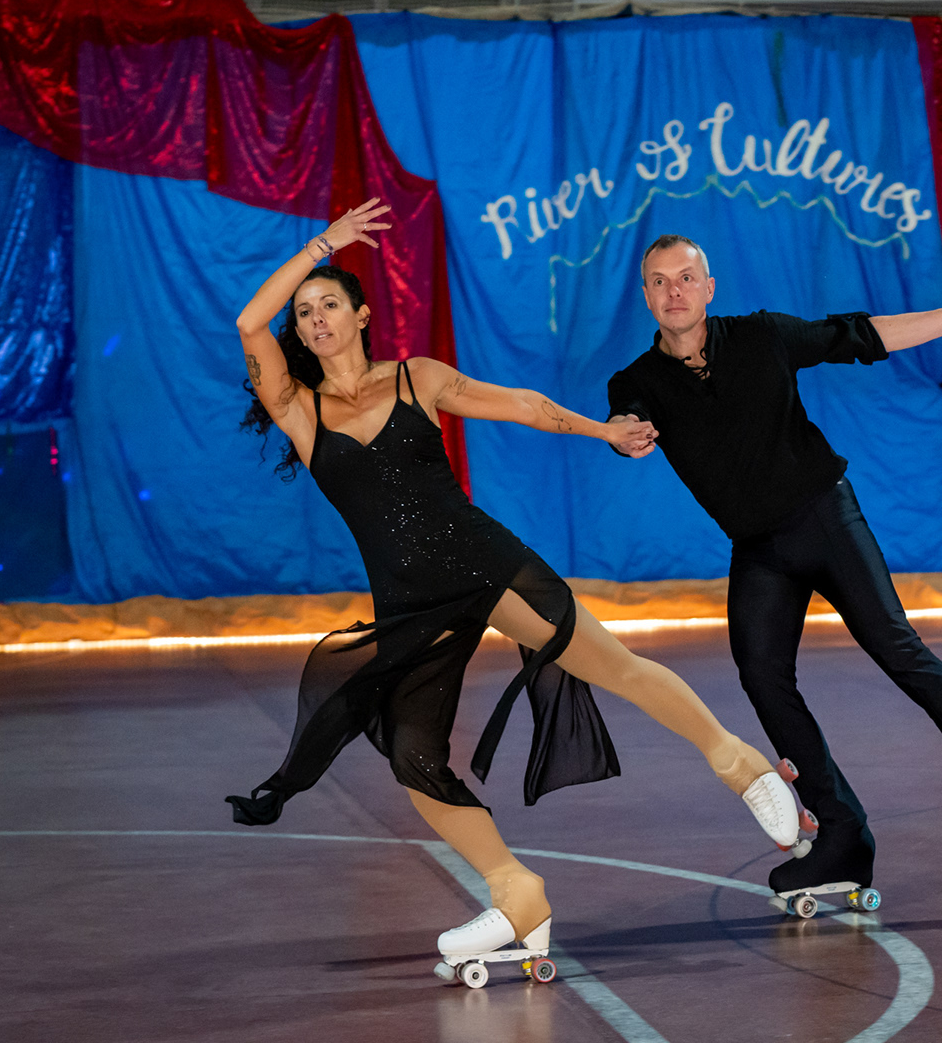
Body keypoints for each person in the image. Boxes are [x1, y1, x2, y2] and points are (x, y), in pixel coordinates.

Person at [225, 203, 802, 977]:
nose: (316, 318)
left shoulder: (417, 378)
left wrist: (603, 431)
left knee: (613, 665)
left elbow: (524, 405)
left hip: (483, 564)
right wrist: (323, 245)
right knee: (414, 758)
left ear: (361, 315)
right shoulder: (301, 411)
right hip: (409, 605)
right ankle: (517, 893)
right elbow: (248, 322)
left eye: (329, 302)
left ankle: (742, 766)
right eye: (304, 312)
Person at [606, 233, 942, 904]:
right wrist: (625, 436)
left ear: (708, 288)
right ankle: (844, 834)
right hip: (759, 548)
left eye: (685, 278)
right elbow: (627, 422)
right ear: (646, 295)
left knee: (899, 650)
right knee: (763, 676)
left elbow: (860, 334)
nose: (673, 292)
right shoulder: (636, 382)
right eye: (659, 281)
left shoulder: (762, 336)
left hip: (825, 518)